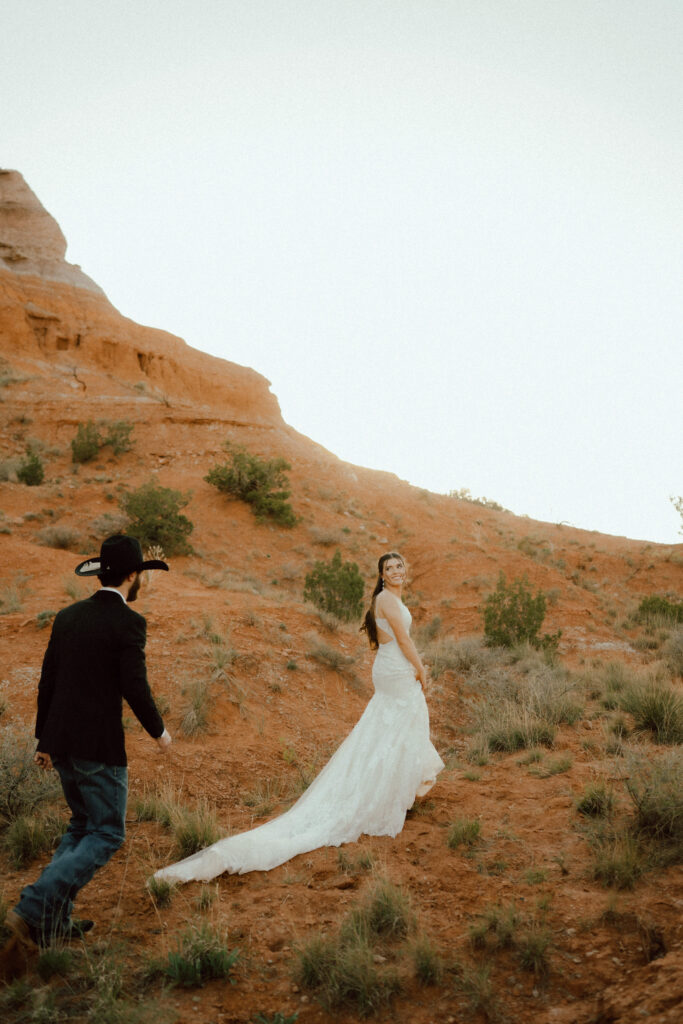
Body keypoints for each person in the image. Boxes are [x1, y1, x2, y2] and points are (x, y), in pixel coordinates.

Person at [154, 551, 443, 883]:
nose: (395, 571)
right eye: (389, 568)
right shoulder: (387, 601)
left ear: (406, 570)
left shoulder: (389, 599)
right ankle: (386, 793)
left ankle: (395, 788)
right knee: (400, 723)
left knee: (387, 729)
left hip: (390, 667)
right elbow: (404, 640)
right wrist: (420, 669)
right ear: (381, 574)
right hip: (395, 668)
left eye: (399, 566)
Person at [1, 535, 172, 968]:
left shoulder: (68, 616)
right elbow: (134, 685)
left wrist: (45, 741)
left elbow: (48, 682)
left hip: (62, 742)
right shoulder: (129, 623)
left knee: (81, 825)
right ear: (132, 576)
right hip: (99, 747)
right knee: (107, 832)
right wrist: (161, 733)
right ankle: (31, 908)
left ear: (101, 573)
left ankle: (55, 921)